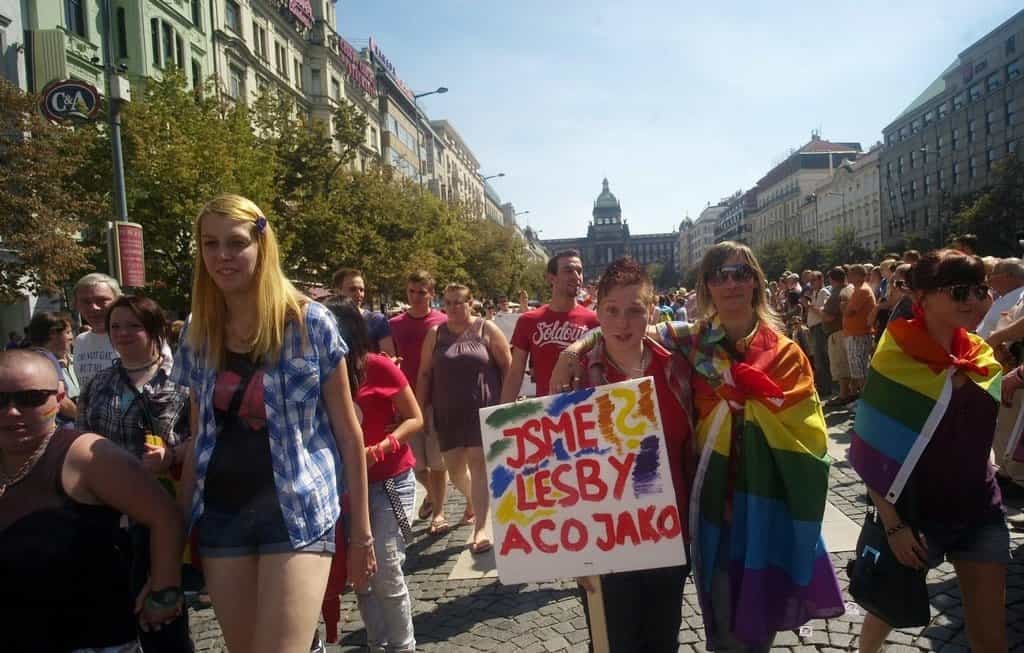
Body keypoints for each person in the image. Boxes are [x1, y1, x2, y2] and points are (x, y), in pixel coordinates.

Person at [554, 242, 844, 651]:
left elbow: (811, 440)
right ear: (706, 285)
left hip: (766, 506)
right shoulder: (693, 344)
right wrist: (572, 350)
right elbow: (621, 324)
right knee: (722, 629)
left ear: (756, 282)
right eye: (719, 275)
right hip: (712, 513)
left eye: (741, 273)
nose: (731, 283)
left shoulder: (786, 355)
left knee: (758, 624)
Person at [171, 194, 375, 652]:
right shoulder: (197, 330)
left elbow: (349, 433)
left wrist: (361, 534)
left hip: (298, 511)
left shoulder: (310, 322)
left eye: (235, 242)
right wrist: (175, 539)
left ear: (261, 245)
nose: (222, 255)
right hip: (222, 515)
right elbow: (199, 438)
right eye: (210, 244)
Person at [850, 249, 1008, 653]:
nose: (973, 301)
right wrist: (893, 525)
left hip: (979, 508)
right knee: (887, 608)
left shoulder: (979, 354)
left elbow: (979, 414)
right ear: (922, 297)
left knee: (991, 639)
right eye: (959, 291)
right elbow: (869, 449)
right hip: (916, 513)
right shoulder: (895, 357)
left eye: (979, 290)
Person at [0, 348, 185, 652]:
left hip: (90, 638)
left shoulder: (86, 456)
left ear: (59, 398)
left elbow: (165, 516)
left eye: (31, 399)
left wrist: (164, 590)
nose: (12, 412)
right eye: (1, 400)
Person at [569, 257, 694, 652]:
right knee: (614, 644)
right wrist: (572, 554)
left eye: (635, 310)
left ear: (652, 311)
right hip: (605, 542)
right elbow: (561, 469)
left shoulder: (678, 367)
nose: (623, 322)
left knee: (662, 642)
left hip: (669, 534)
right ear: (596, 311)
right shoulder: (576, 378)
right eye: (612, 310)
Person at [77, 294, 193, 651]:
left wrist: (172, 454)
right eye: (116, 327)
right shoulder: (98, 384)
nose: (123, 333)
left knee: (162, 619)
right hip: (107, 517)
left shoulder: (182, 382)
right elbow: (80, 440)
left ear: (155, 329)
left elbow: (205, 438)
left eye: (133, 326)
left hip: (161, 513)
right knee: (116, 614)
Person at [323, 297, 422, 652]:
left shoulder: (379, 366)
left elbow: (415, 418)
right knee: (361, 575)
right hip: (345, 487)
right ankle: (376, 643)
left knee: (385, 565)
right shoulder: (318, 375)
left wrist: (383, 446)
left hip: (391, 480)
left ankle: (403, 646)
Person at [416, 284, 510, 553]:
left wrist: (506, 406)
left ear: (470, 303)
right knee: (455, 469)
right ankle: (471, 499)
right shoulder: (435, 334)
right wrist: (419, 410)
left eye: (459, 302)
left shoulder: (486, 329)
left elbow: (508, 366)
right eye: (448, 302)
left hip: (482, 409)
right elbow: (424, 373)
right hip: (447, 412)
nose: (453, 307)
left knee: (478, 466)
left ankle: (480, 528)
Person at [389, 270, 451, 535]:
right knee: (414, 464)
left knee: (437, 462)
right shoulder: (394, 324)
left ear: (431, 294)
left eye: (421, 292)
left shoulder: (443, 322)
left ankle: (439, 513)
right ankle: (432, 496)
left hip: (437, 400)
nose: (415, 297)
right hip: (405, 402)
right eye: (411, 291)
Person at [500, 249, 599, 403]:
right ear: (551, 278)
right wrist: (502, 412)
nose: (576, 276)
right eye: (568, 271)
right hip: (547, 411)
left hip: (586, 409)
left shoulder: (595, 321)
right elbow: (515, 373)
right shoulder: (528, 320)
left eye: (579, 271)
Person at [26, 311, 78, 425]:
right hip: (61, 426)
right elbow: (60, 399)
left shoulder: (28, 357)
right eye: (68, 332)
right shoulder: (47, 358)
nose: (71, 337)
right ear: (52, 333)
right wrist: (82, 416)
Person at [72, 272, 123, 389]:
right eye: (85, 302)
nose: (93, 307)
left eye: (102, 300)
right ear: (77, 305)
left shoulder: (135, 338)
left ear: (118, 301)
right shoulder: (80, 341)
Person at [332, 268, 396, 356]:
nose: (359, 294)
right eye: (352, 289)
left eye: (361, 290)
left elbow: (389, 357)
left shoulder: (377, 320)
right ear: (337, 292)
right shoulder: (328, 321)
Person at [822, 267, 854, 406]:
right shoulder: (849, 289)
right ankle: (851, 392)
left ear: (831, 279)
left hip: (837, 332)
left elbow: (829, 316)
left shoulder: (837, 293)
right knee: (848, 364)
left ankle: (843, 394)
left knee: (841, 364)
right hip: (846, 330)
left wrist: (820, 311)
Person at [843, 265, 876, 397]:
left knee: (861, 370)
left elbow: (849, 311)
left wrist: (843, 306)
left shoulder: (862, 290)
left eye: (850, 274)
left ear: (858, 276)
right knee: (857, 370)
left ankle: (866, 399)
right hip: (855, 334)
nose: (848, 277)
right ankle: (860, 397)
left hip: (859, 335)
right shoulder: (858, 290)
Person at [977, 258, 1024, 339]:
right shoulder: (1004, 297)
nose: (989, 280)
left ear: (1009, 276)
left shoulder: (1021, 297)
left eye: (992, 275)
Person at [805, 271, 832, 396]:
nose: (811, 283)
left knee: (820, 358)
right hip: (814, 328)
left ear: (821, 280)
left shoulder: (823, 293)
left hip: (820, 328)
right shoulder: (814, 293)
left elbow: (823, 312)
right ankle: (822, 386)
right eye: (810, 281)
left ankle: (825, 388)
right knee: (817, 358)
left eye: (814, 280)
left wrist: (810, 306)